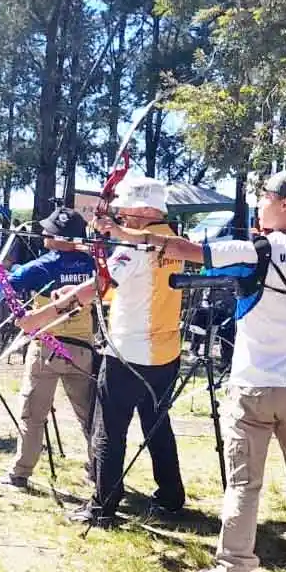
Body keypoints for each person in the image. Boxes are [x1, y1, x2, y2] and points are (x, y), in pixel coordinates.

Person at [89, 170, 286, 572]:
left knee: (243, 484)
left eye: (267, 196)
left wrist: (119, 230)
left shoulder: (256, 250)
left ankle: (234, 568)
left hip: (253, 388)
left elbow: (181, 247)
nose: (260, 201)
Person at [19, 177, 187, 528]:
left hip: (128, 353)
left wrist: (40, 316)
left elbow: (99, 286)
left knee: (108, 428)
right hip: (166, 353)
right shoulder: (173, 240)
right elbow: (125, 287)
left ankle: (102, 507)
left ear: (143, 210)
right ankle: (171, 497)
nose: (119, 215)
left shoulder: (134, 247)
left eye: (124, 208)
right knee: (157, 424)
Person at [0, 207, 96, 489]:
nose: (45, 233)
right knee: (90, 416)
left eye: (52, 231)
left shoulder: (43, 265)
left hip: (47, 349)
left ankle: (20, 474)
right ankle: (99, 470)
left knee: (32, 415)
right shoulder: (92, 266)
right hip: (82, 351)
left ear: (63, 238)